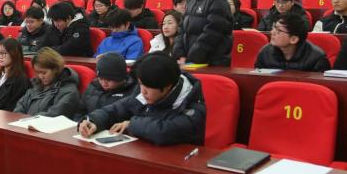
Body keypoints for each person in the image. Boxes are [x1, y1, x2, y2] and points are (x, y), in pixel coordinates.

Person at [78, 52, 206, 146]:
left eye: (148, 87)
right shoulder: (144, 91)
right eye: (140, 84)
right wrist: (93, 121)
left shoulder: (192, 106)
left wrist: (131, 124)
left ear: (167, 87)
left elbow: (164, 131)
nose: (143, 91)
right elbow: (117, 109)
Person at [13, 47, 82, 116]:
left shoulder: (69, 92)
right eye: (37, 72)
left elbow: (52, 116)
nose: (40, 76)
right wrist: (19, 118)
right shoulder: (35, 84)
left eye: (44, 72)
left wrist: (27, 119)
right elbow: (20, 106)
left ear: (55, 69)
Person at [254, 12, 330, 72]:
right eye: (273, 28)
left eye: (278, 30)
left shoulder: (317, 58)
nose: (272, 32)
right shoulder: (265, 53)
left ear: (293, 39)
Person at [76, 52, 137, 120]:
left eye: (109, 80)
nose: (104, 84)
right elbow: (80, 111)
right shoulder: (93, 86)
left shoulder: (132, 92)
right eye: (100, 79)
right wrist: (80, 122)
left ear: (120, 78)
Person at [0, 38, 32, 111]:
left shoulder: (21, 81)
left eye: (4, 53)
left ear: (14, 54)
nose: (0, 57)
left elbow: (14, 108)